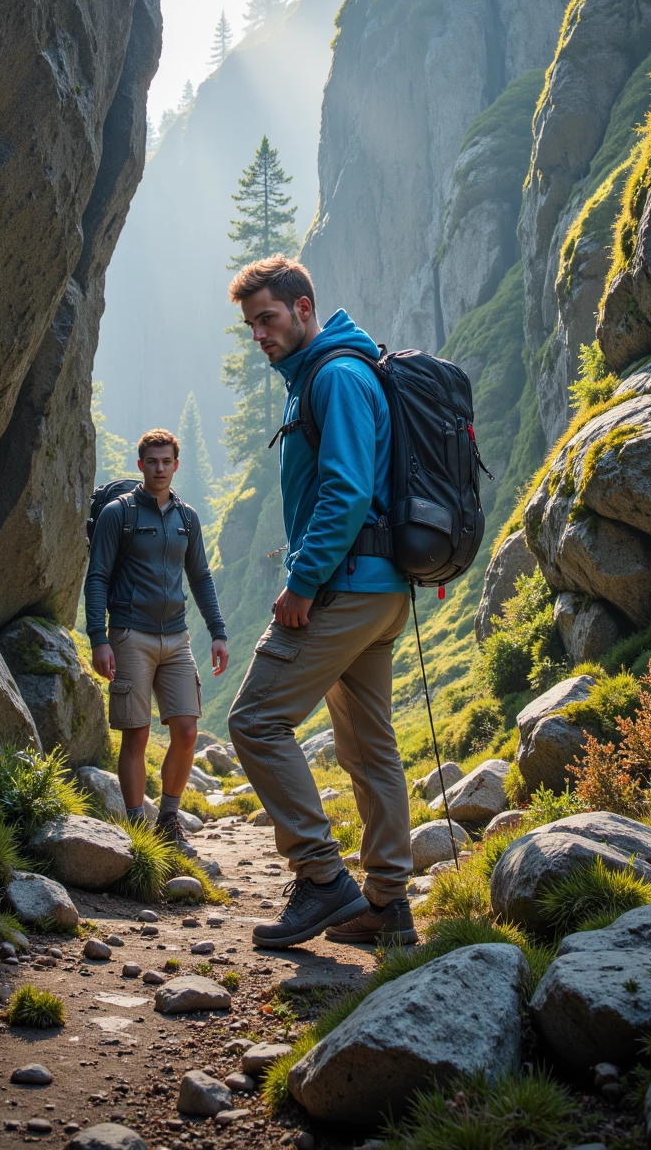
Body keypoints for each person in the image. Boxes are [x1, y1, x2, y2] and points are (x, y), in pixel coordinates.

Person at [227, 256, 416, 949]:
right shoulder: (337, 371)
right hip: (381, 589)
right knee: (369, 748)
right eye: (251, 326)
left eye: (268, 319)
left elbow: (345, 491)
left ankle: (320, 880)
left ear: (305, 308)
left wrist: (302, 581)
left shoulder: (334, 376)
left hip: (345, 585)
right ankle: (387, 905)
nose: (260, 336)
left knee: (254, 720)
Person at [85, 427, 228, 855]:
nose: (160, 468)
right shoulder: (118, 514)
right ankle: (136, 829)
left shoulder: (187, 518)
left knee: (186, 730)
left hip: (177, 637)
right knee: (137, 734)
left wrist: (217, 632)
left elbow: (200, 577)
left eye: (167, 461)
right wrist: (99, 638)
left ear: (176, 465)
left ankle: (168, 820)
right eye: (153, 461)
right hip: (130, 635)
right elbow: (97, 578)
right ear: (140, 465)